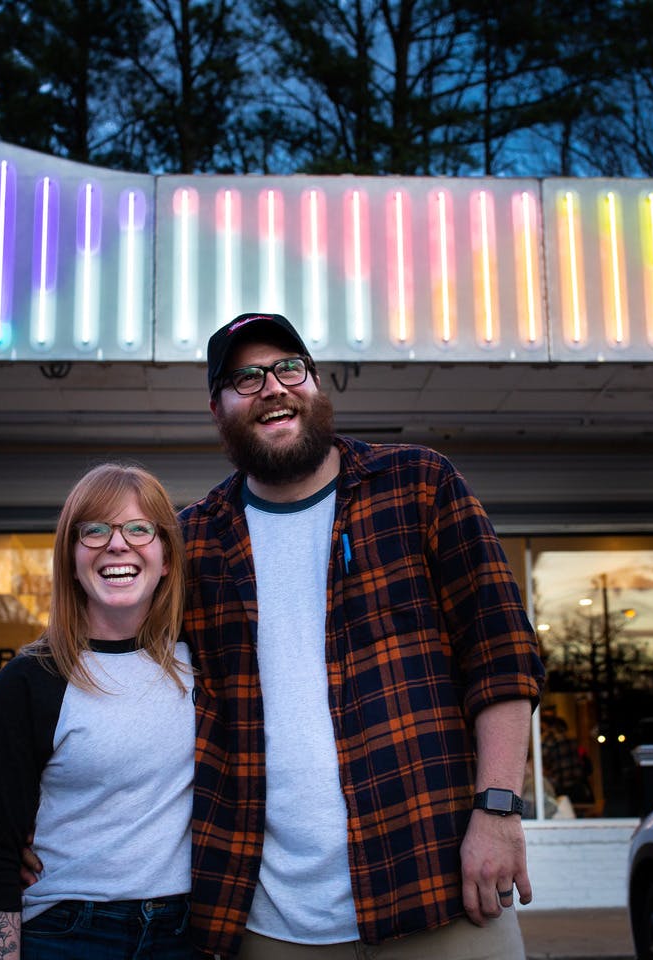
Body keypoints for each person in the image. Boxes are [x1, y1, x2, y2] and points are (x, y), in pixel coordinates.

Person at [181, 312, 546, 958]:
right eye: (246, 378)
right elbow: (125, 676)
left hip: (439, 890)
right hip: (268, 920)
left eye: (288, 368)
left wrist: (498, 811)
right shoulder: (195, 541)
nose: (272, 387)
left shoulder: (418, 486)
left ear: (316, 386)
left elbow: (502, 659)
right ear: (218, 410)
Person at [0, 462, 195, 960]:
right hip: (68, 932)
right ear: (70, 558)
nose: (118, 544)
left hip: (186, 933)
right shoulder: (27, 682)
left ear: (167, 558)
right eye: (94, 530)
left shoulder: (204, 665)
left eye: (139, 529)